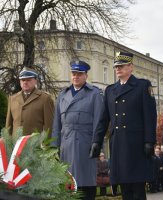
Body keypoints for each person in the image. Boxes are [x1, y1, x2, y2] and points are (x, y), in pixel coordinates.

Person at [90, 52, 157, 200]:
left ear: (131, 67)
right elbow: (103, 119)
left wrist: (149, 141)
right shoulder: (110, 90)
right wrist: (96, 141)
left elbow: (150, 117)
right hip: (119, 145)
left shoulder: (142, 86)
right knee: (124, 189)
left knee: (138, 189)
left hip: (137, 145)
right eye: (116, 66)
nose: (118, 69)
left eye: (121, 66)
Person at [51, 60, 103, 200]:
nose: (76, 76)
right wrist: (54, 146)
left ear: (86, 75)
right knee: (67, 185)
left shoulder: (94, 94)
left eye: (79, 74)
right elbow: (57, 123)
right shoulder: (62, 95)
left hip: (85, 146)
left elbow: (99, 122)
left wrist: (97, 143)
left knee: (85, 185)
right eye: (74, 73)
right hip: (66, 146)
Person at [6, 67, 54, 136]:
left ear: (35, 81)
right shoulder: (12, 99)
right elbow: (8, 125)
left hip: (35, 144)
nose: (25, 82)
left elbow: (49, 126)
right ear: (20, 82)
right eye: (23, 80)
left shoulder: (45, 99)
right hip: (16, 144)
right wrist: (7, 143)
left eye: (28, 80)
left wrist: (45, 145)